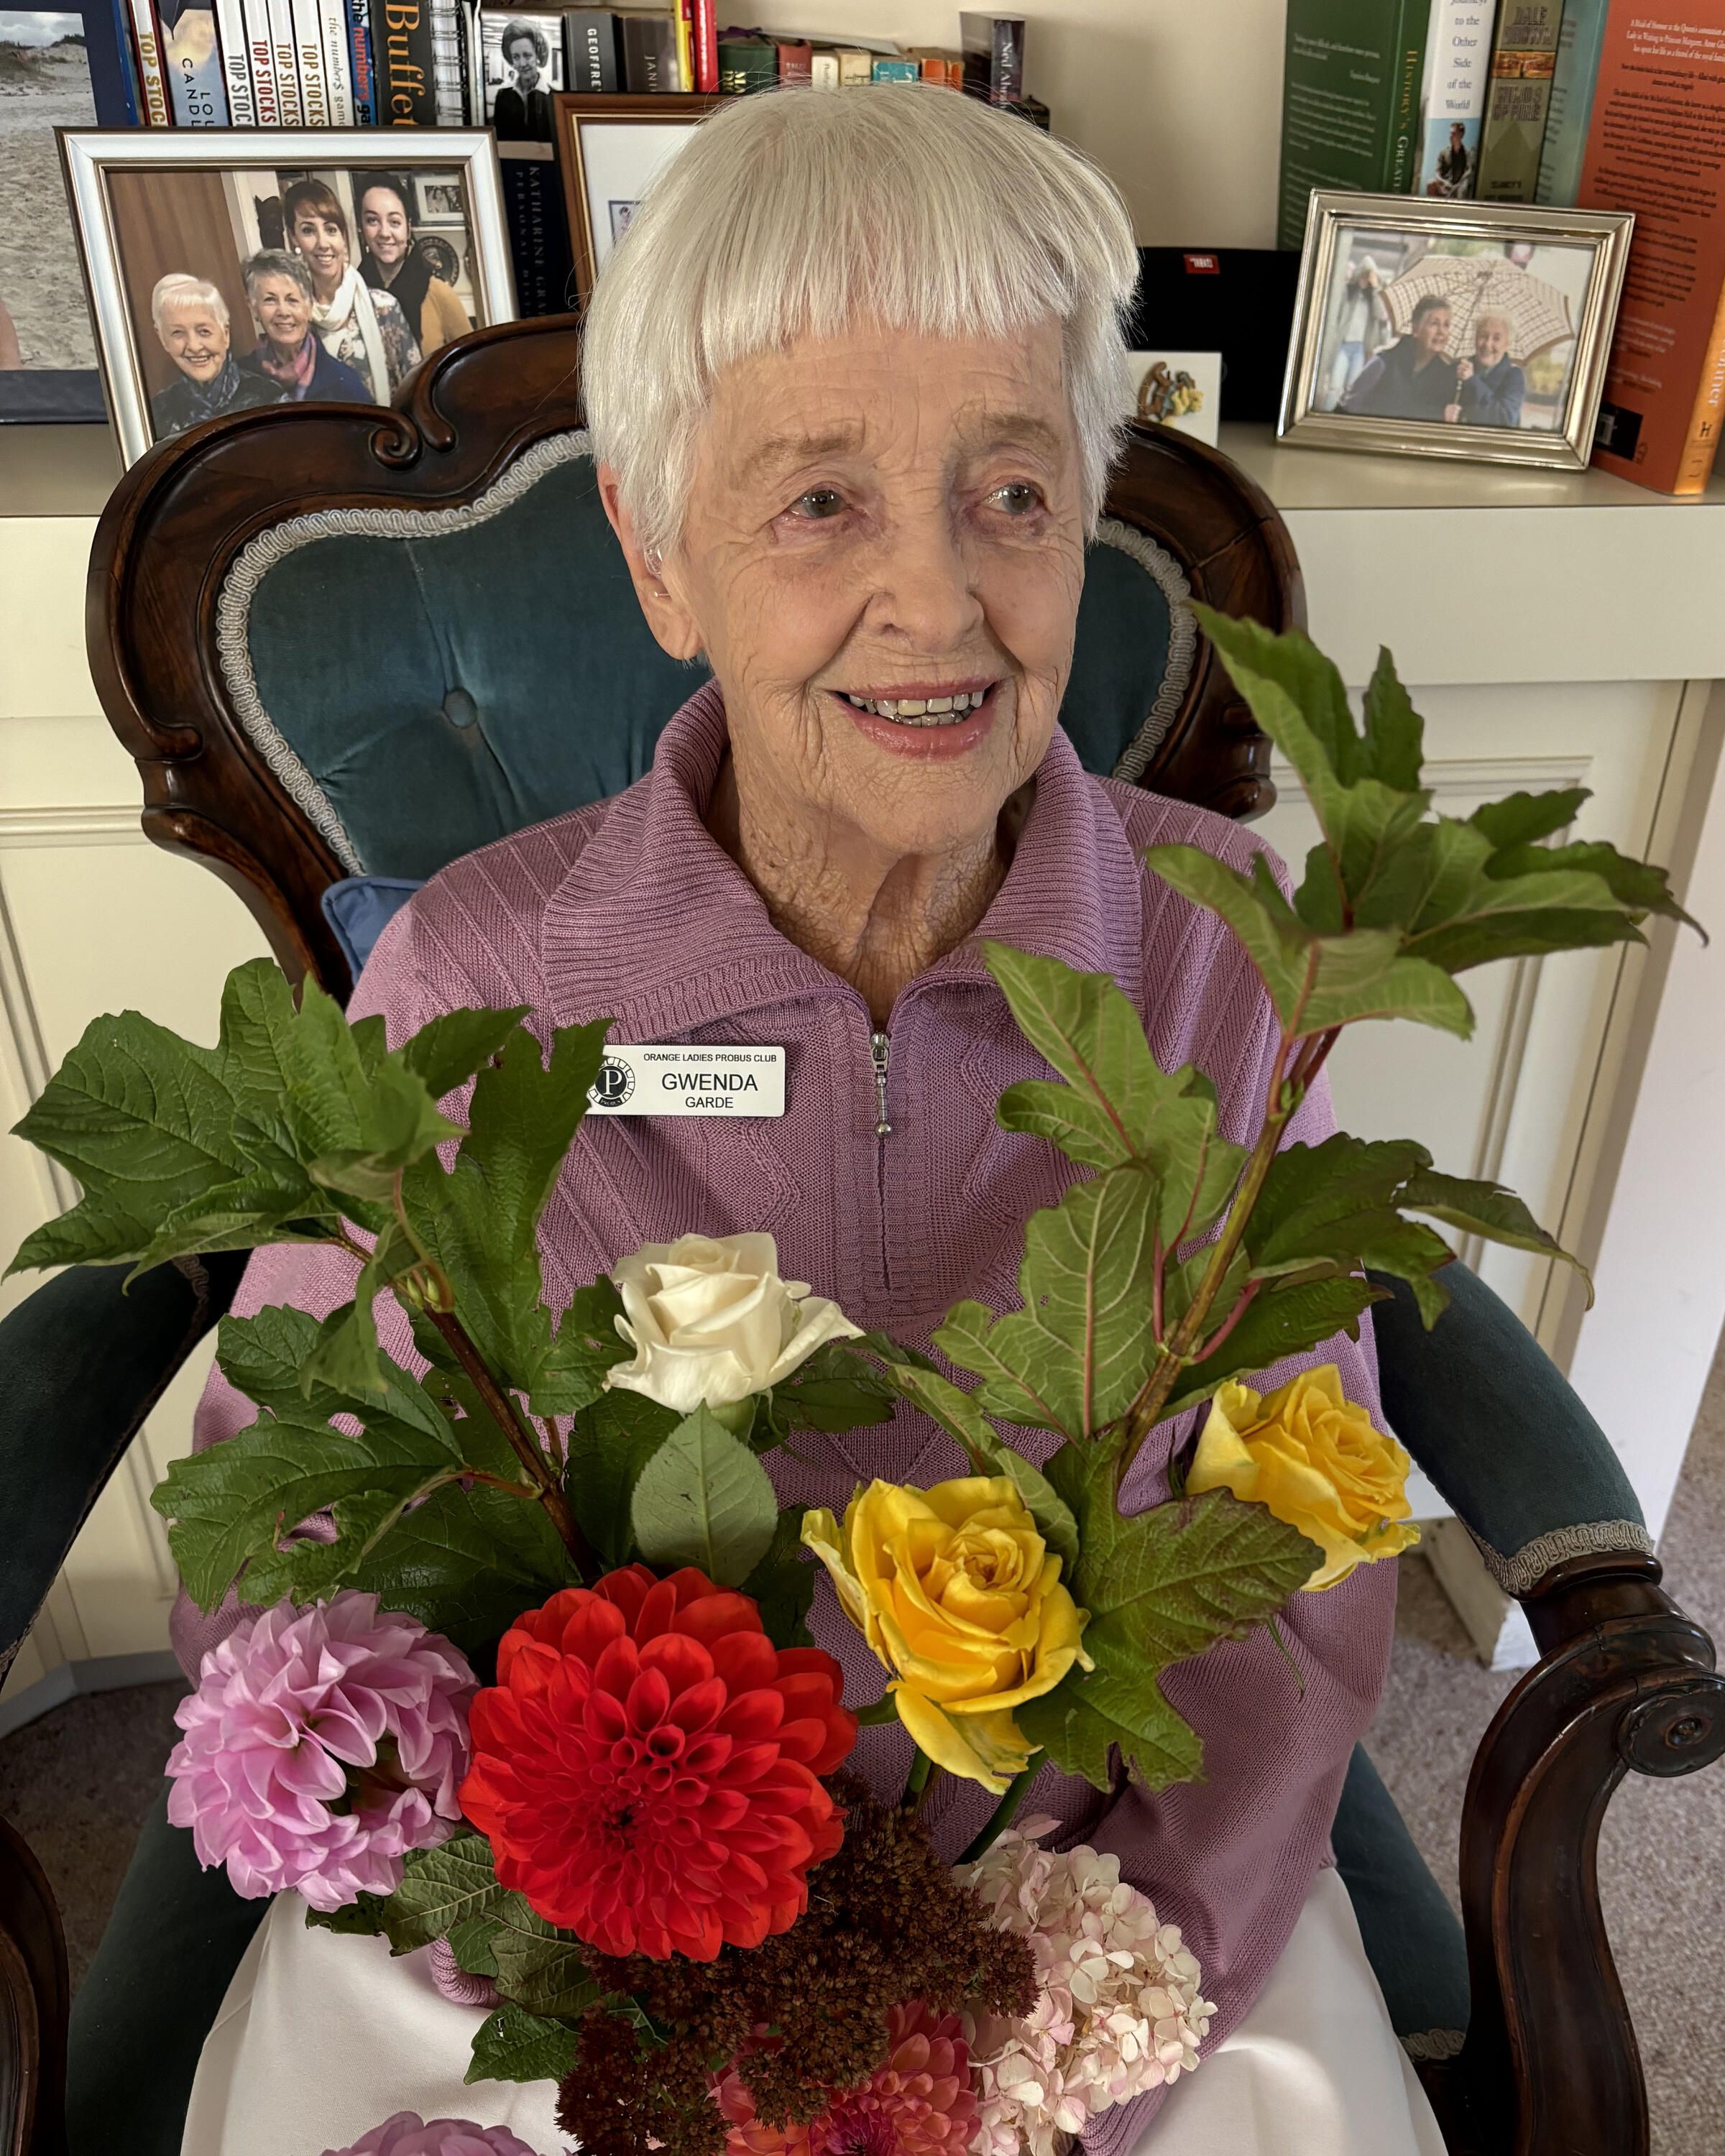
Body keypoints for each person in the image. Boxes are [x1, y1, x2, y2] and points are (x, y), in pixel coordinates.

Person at [171, 86, 1442, 2156]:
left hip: (1100, 1922)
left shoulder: (1228, 958)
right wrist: (605, 1985)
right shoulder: (468, 988)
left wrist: (1046, 2029)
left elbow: (1290, 1574)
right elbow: (302, 1540)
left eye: (1012, 493)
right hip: (577, 1944)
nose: (939, 602)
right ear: (662, 558)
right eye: (820, 504)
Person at [282, 178, 420, 402]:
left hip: (385, 433)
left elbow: (416, 392)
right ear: (293, 237)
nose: (323, 243)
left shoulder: (384, 307)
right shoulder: (291, 317)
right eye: (308, 230)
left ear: (344, 237)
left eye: (331, 229)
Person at [146, 273, 283, 438]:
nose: (194, 346)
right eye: (178, 333)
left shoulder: (270, 399)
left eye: (204, 331)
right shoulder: (156, 414)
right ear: (162, 338)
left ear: (225, 335)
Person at [356, 175, 472, 358]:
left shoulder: (439, 294)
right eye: (372, 221)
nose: (384, 233)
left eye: (394, 222)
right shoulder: (353, 293)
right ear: (361, 228)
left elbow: (473, 367)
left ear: (408, 227)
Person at [236, 249, 372, 403]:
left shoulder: (344, 384)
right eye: (270, 300)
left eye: (292, 300)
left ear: (309, 307)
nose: (283, 312)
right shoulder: (240, 381)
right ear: (253, 308)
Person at [1338, 292, 1458, 422]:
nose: (1441, 332)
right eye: (1434, 324)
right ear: (1415, 329)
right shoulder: (1383, 363)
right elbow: (1347, 408)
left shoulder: (1445, 376)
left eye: (1446, 325)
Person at [1325, 254, 1389, 409]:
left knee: (1351, 390)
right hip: (1344, 346)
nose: (1365, 280)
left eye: (1368, 277)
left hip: (1360, 349)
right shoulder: (1349, 293)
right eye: (1363, 275)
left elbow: (1382, 315)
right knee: (1334, 388)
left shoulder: (1373, 299)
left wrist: (1374, 288)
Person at [1445, 310, 1525, 429]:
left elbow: (1505, 419)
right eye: (1483, 336)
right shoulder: (1458, 368)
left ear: (1507, 344)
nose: (1487, 344)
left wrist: (1473, 381)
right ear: (1475, 339)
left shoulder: (1514, 376)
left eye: (1496, 339)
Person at [491, 19, 553, 139]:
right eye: (516, 57)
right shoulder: (502, 96)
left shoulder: (553, 97)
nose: (522, 63)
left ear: (538, 55)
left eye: (527, 55)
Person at [1429, 121, 1473, 199]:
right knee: (1431, 184)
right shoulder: (1443, 153)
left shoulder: (1467, 153)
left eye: (1454, 134)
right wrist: (1444, 182)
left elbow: (1469, 170)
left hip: (1459, 185)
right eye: (1450, 133)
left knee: (1464, 188)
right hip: (1445, 185)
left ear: (1461, 135)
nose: (1451, 136)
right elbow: (1437, 173)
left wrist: (1460, 183)